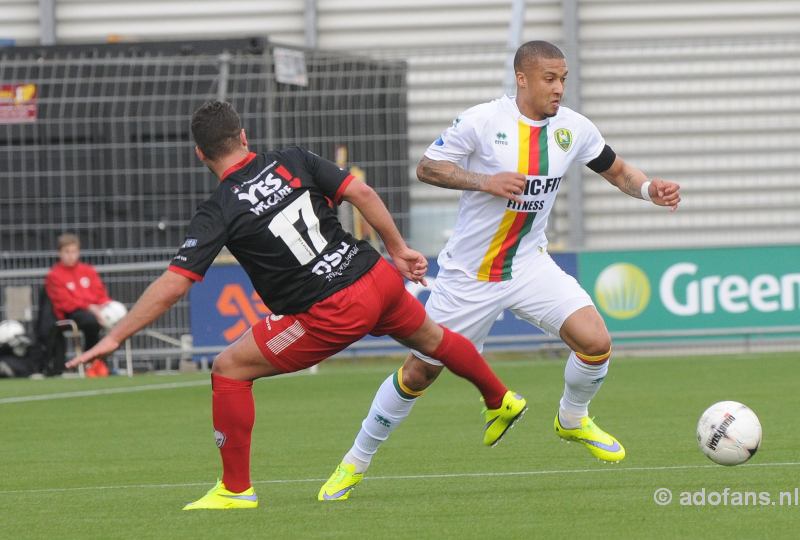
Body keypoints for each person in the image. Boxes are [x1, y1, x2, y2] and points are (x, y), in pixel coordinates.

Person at [67, 100, 527, 510]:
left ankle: (235, 489)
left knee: (229, 369)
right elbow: (361, 194)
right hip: (376, 277)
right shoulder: (291, 158)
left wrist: (114, 337)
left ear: (201, 155)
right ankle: (499, 397)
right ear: (244, 137)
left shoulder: (221, 207)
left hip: (329, 311)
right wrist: (399, 249)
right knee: (434, 340)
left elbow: (173, 285)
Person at [319, 40, 682, 501]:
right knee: (419, 374)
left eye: (564, 78)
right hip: (470, 275)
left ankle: (572, 419)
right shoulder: (483, 121)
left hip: (530, 264)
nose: (558, 88)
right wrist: (484, 181)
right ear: (522, 78)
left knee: (596, 342)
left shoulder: (574, 129)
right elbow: (428, 169)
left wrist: (651, 189)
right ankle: (354, 462)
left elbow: (617, 171)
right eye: (549, 79)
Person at [45, 233, 112, 377]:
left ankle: (101, 363)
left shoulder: (88, 271)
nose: (71, 256)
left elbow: (100, 293)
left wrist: (103, 305)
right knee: (90, 322)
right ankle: (90, 360)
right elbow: (65, 303)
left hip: (94, 311)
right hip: (70, 314)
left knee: (116, 318)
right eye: (67, 252)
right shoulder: (54, 275)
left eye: (74, 251)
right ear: (60, 253)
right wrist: (90, 307)